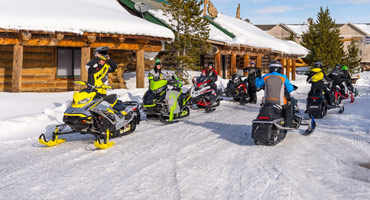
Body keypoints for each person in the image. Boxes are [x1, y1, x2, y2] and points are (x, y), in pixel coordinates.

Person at [255, 61, 294, 127]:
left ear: (270, 68)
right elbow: (290, 89)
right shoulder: (283, 77)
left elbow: (258, 84)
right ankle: (288, 125)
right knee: (288, 107)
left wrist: (258, 77)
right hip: (279, 102)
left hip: (267, 101)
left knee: (263, 106)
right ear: (280, 69)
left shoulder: (266, 76)